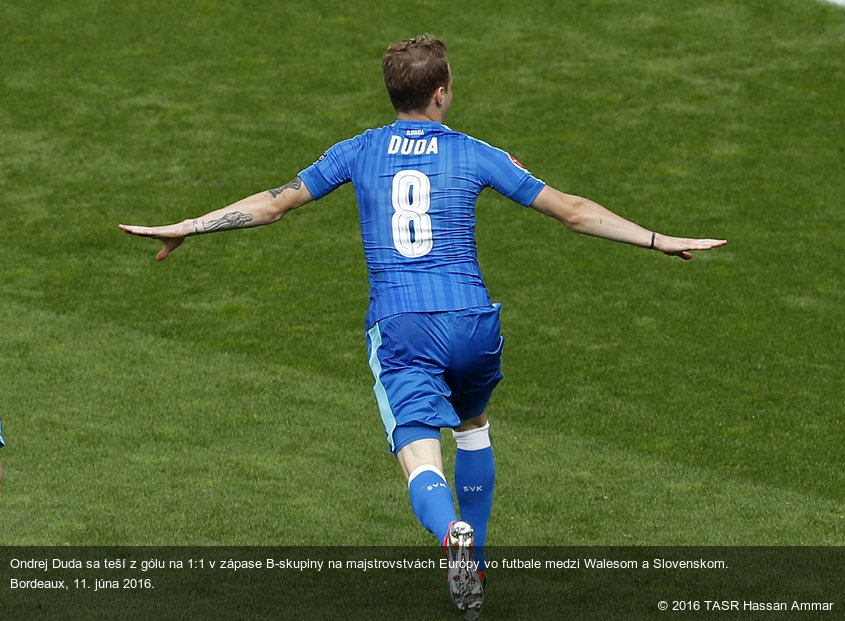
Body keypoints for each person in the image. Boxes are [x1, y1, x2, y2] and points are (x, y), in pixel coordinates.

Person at [120, 34, 726, 619]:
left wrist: (193, 225)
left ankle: (451, 533)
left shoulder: (358, 150)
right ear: (441, 93)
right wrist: (656, 239)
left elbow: (274, 203)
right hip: (473, 321)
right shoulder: (474, 151)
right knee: (473, 424)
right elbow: (572, 212)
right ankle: (476, 569)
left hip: (404, 324)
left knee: (419, 457)